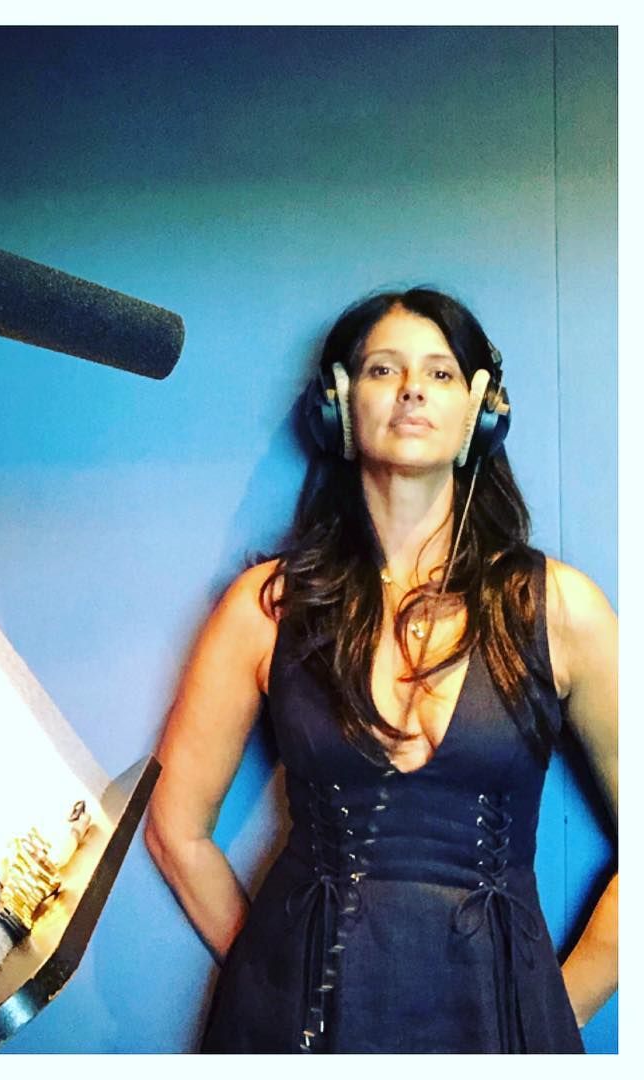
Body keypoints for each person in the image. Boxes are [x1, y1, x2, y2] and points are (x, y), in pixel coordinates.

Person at [146, 288, 617, 1053]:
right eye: (383, 369)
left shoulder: (561, 608)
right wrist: (269, 981)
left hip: (503, 1032)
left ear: (479, 410)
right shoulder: (266, 608)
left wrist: (552, 1010)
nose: (412, 390)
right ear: (339, 405)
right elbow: (175, 828)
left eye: (440, 372)